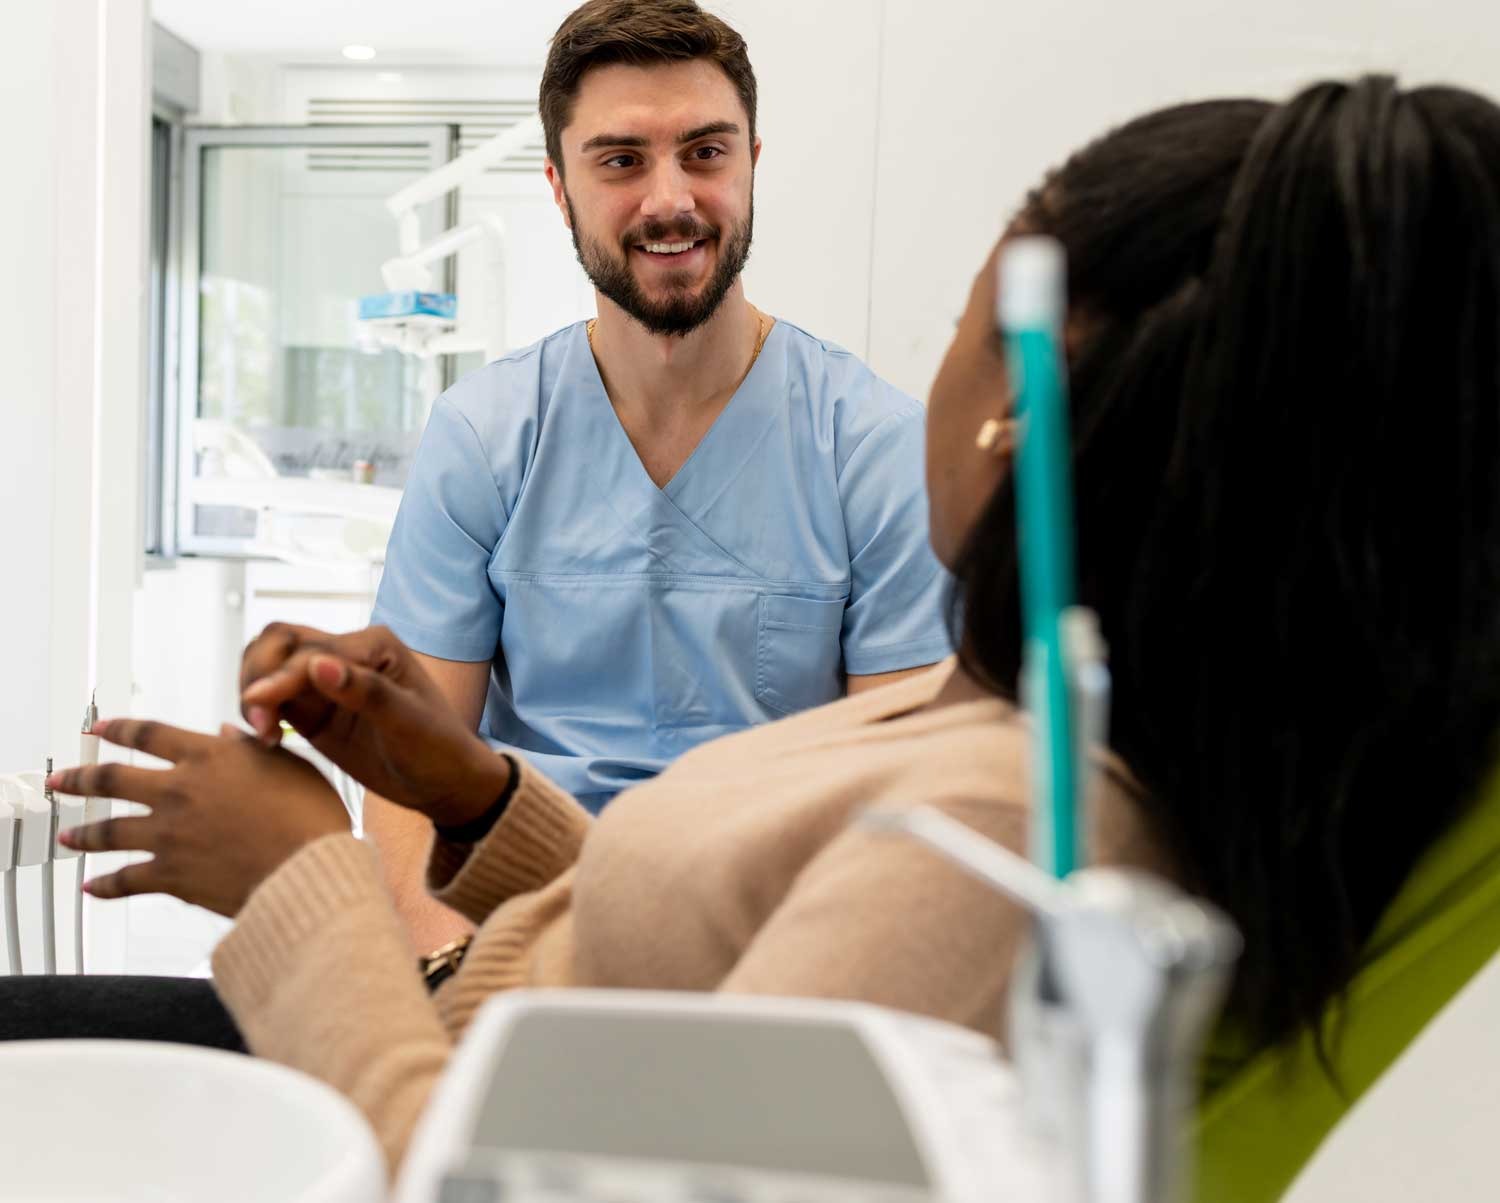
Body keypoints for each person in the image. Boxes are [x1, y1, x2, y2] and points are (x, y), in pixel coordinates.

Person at [30, 76, 1500, 1180]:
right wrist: (471, 791)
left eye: (957, 314)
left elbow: (520, 1175)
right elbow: (728, 952)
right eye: (619, 159)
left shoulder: (1014, 858)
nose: (668, 195)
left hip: (437, 1094)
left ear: (1015, 418)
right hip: (458, 1021)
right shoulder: (1019, 730)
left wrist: (297, 872)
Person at [350, 0, 951, 956]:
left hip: (773, 950)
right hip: (517, 938)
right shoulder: (485, 436)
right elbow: (407, 781)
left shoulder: (874, 449)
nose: (669, 199)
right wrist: (449, 988)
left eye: (705, 153)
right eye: (621, 160)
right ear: (559, 186)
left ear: (754, 161)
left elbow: (906, 793)